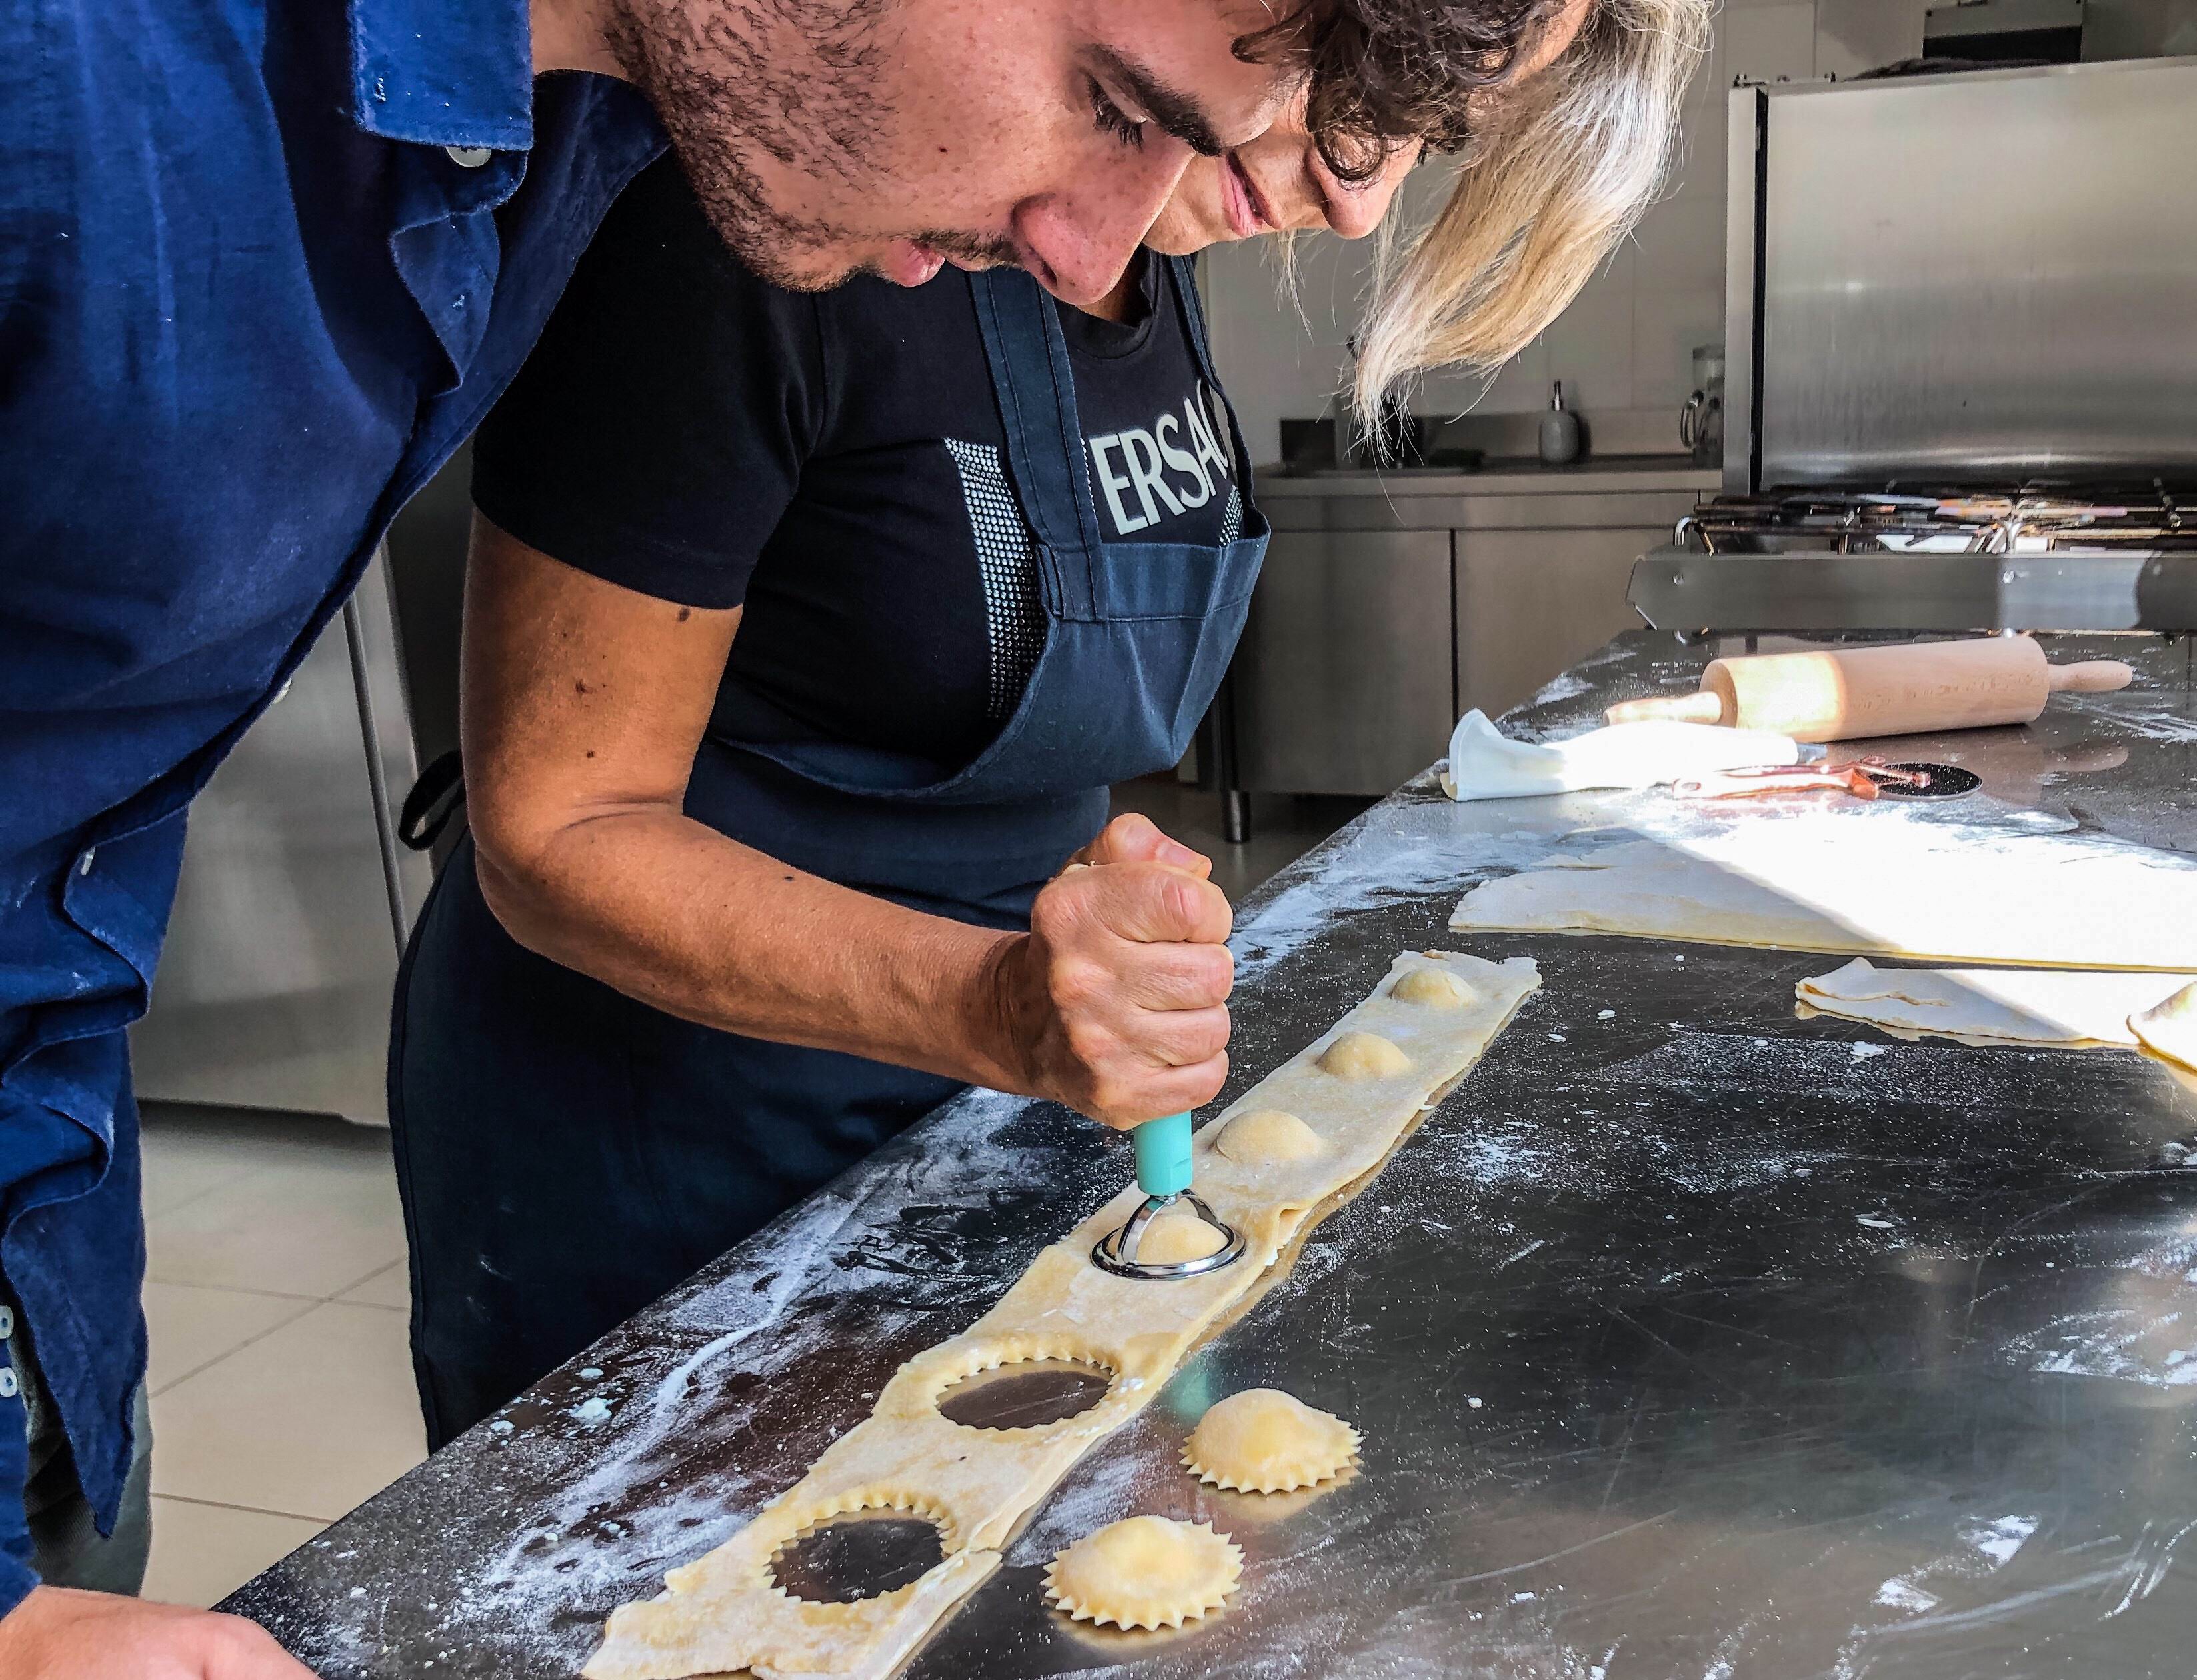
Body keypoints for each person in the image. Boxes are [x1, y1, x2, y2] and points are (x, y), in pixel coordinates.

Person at [0, 0, 1574, 1665]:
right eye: (1112, 103)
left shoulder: (577, 129)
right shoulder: (91, 89)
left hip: (53, 1259)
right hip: (658, 1131)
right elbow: (561, 813)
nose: (1083, 240)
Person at [388, 0, 1704, 1446]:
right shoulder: (782, 208)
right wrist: (995, 1006)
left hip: (983, 1110)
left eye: (1425, 145)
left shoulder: (1133, 252)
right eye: (1361, 109)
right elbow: (556, 826)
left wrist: (1087, 976)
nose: (1357, 199)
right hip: (670, 1129)